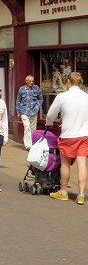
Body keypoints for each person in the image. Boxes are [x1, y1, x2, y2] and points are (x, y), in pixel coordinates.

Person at [47, 72, 88, 205]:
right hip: (84, 135)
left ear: (68, 82)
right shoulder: (86, 97)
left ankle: (63, 191)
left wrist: (49, 123)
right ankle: (81, 195)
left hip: (69, 135)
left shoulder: (62, 96)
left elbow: (51, 114)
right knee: (82, 164)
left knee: (65, 164)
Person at [16, 75, 44, 150]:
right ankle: (28, 145)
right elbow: (18, 101)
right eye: (30, 81)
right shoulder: (22, 89)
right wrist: (18, 111)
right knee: (27, 127)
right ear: (26, 81)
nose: (31, 82)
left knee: (32, 129)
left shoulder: (36, 88)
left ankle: (32, 143)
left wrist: (37, 106)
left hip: (33, 111)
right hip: (24, 111)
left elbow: (41, 98)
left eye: (32, 81)